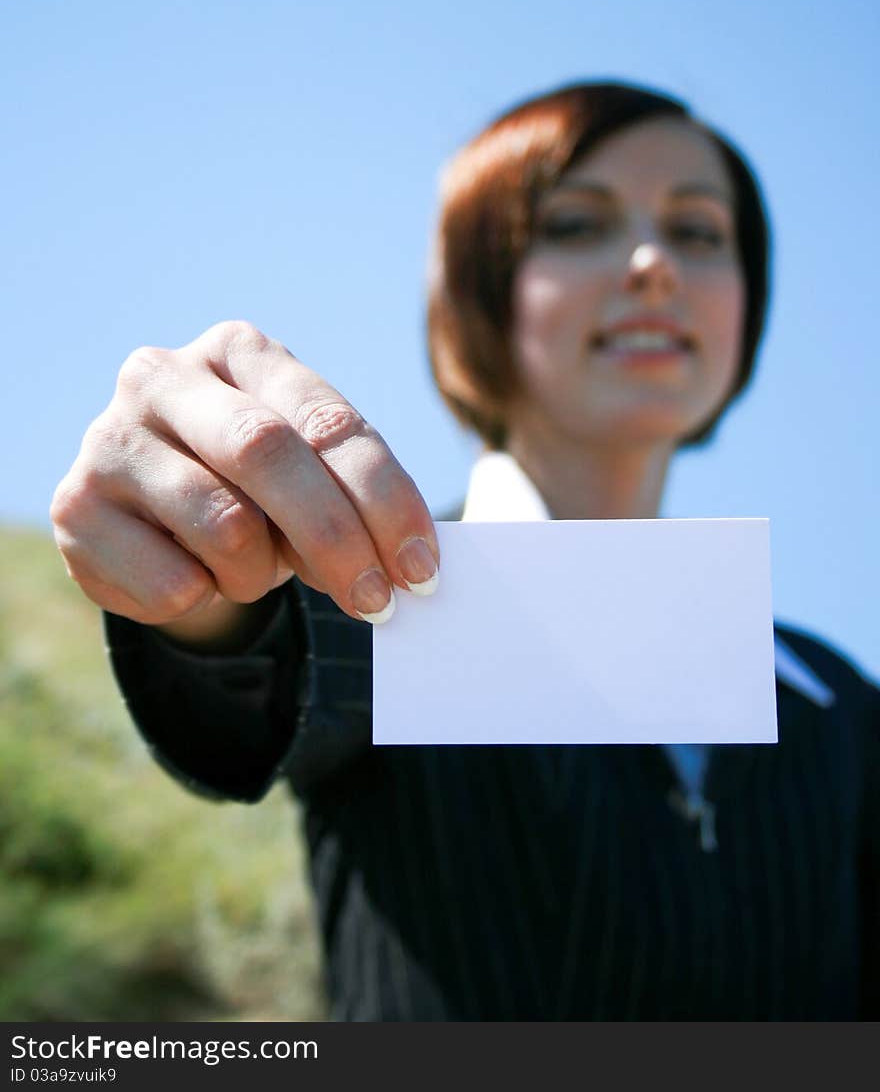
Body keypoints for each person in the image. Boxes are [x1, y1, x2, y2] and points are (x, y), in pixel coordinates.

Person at [51, 81, 879, 1020]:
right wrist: (200, 561)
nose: (654, 265)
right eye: (576, 224)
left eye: (698, 232)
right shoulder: (377, 585)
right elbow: (255, 649)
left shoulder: (840, 702)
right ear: (481, 284)